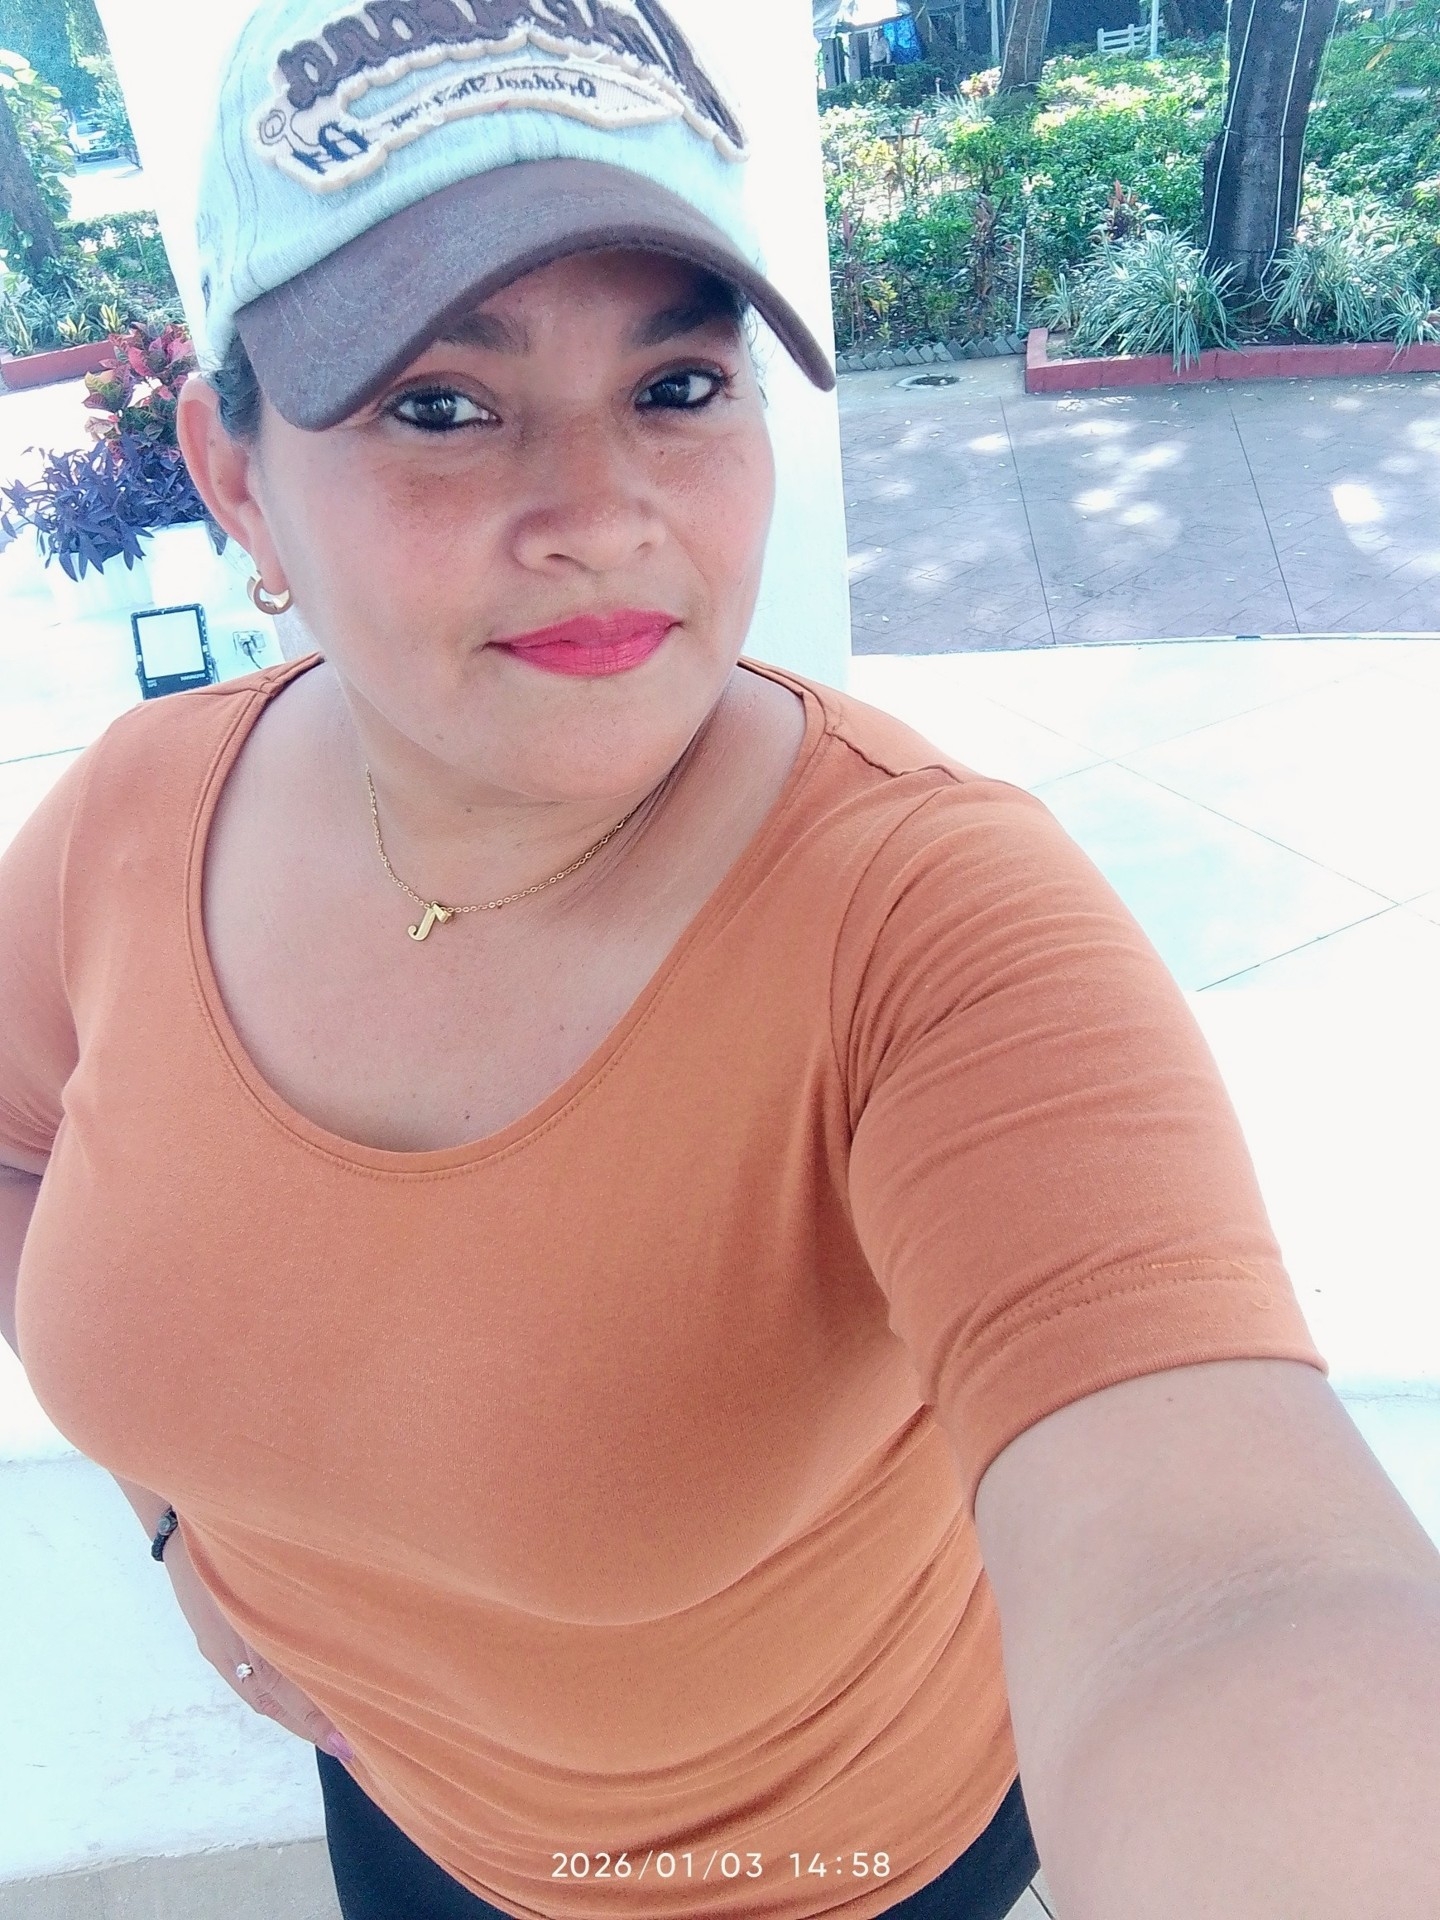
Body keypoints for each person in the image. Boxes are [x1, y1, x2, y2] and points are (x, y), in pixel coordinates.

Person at [2, 2, 1438, 1917]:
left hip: (826, 1867)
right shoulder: (133, 815)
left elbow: (1235, 1582)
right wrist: (180, 1530)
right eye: (444, 405)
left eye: (678, 385)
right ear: (237, 477)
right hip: (400, 1805)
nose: (602, 518)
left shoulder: (931, 925)